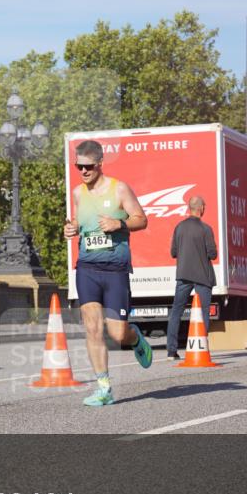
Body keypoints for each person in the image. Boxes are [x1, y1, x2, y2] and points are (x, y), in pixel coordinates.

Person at [64, 139, 153, 407]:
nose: (83, 171)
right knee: (92, 328)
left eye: (88, 166)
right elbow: (80, 222)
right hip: (87, 268)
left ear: (100, 163)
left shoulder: (119, 189)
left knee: (118, 334)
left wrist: (119, 223)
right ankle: (104, 388)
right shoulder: (78, 193)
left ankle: (135, 337)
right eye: (79, 166)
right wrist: (71, 229)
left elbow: (142, 218)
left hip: (115, 270)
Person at [166, 195, 218, 360]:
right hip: (202, 276)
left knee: (176, 311)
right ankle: (201, 347)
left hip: (182, 275)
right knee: (203, 313)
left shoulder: (179, 228)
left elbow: (173, 252)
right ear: (201, 208)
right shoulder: (206, 229)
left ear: (190, 208)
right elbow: (213, 254)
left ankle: (171, 351)